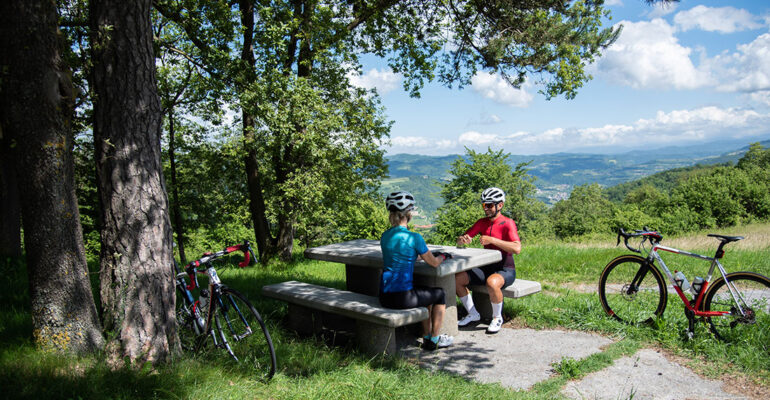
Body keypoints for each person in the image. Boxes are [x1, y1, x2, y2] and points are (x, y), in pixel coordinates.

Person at [379, 191, 454, 350]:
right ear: (408, 214)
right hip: (403, 298)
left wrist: (420, 256)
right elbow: (434, 263)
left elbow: (404, 256)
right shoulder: (415, 238)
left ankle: (427, 335)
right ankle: (434, 339)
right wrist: (443, 257)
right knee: (439, 293)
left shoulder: (385, 236)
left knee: (424, 292)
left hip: (384, 297)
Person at [455, 187, 521, 334]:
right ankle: (473, 313)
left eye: (490, 205)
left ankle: (497, 318)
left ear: (500, 205)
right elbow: (462, 240)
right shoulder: (481, 222)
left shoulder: (507, 223)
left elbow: (517, 248)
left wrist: (492, 240)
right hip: (486, 267)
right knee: (457, 279)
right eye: (484, 205)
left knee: (492, 282)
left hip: (505, 269)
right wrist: (462, 240)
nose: (486, 208)